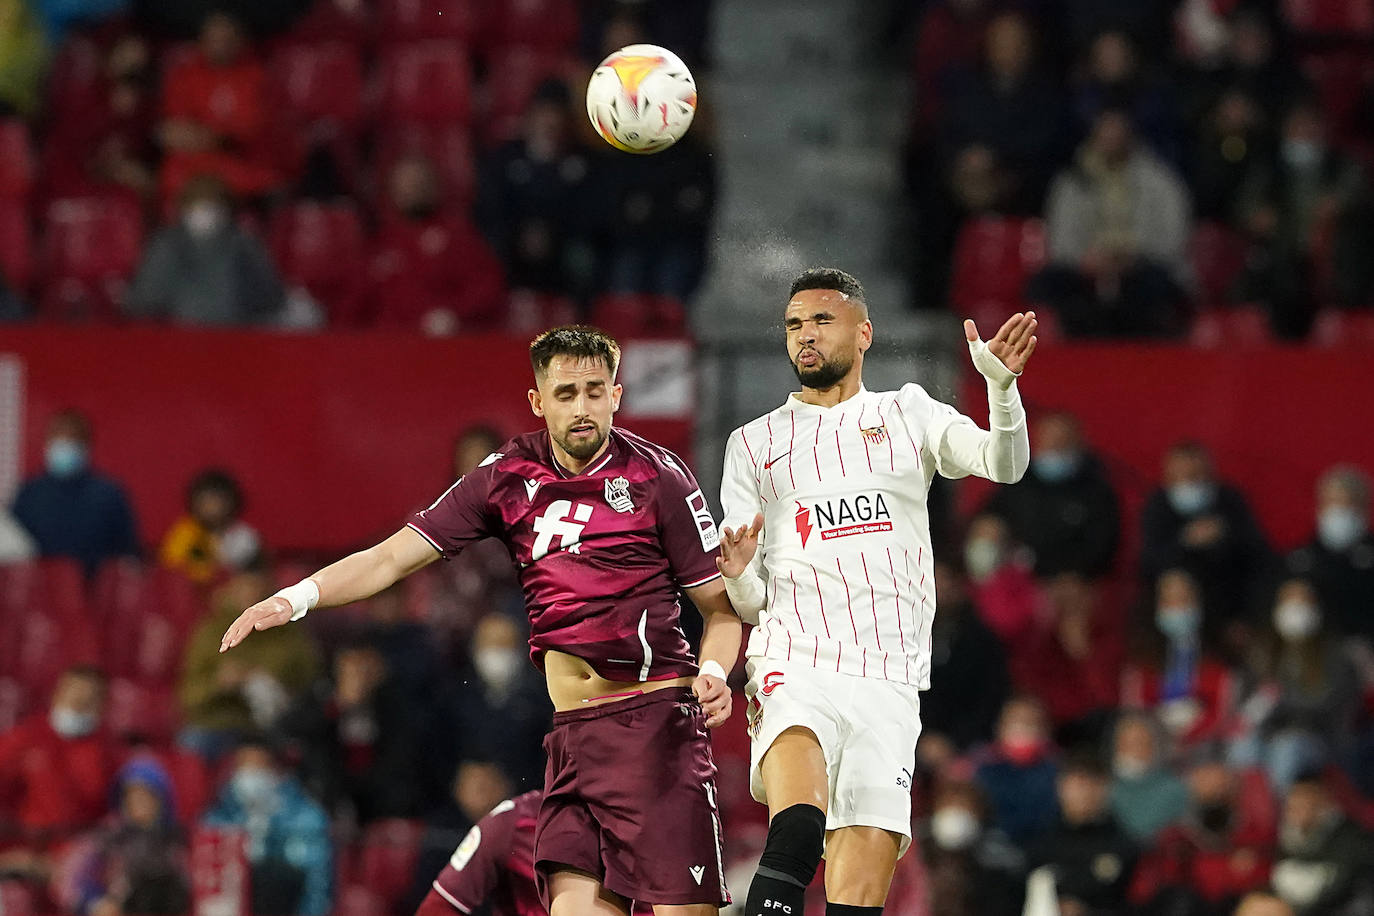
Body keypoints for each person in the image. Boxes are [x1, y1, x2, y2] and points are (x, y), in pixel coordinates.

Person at [221, 326, 741, 915]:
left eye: (595, 391)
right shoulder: (507, 476)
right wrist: (295, 598)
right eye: (566, 393)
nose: (582, 407)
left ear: (616, 396)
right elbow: (392, 556)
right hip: (571, 740)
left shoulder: (660, 478)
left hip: (655, 736)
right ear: (537, 401)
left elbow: (721, 610)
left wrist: (717, 668)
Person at [715, 267, 1034, 915]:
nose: (805, 335)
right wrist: (739, 570)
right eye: (794, 324)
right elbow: (748, 602)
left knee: (857, 899)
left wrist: (1001, 388)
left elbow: (1005, 464)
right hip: (797, 661)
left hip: (890, 678)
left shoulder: (907, 412)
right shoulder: (752, 444)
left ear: (864, 333)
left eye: (821, 321)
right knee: (798, 825)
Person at [1029, 107, 1193, 338]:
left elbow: (1173, 238)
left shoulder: (1161, 182)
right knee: (1051, 287)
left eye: (1118, 135)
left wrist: (1131, 257)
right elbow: (1060, 240)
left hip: (1143, 267)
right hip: (1085, 268)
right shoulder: (1071, 183)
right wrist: (1088, 260)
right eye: (1105, 135)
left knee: (1154, 290)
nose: (1111, 142)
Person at [178, 561, 319, 763]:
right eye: (245, 586)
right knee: (191, 745)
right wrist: (219, 682)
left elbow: (310, 688)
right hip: (219, 722)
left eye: (258, 586)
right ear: (233, 588)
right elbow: (188, 697)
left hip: (271, 727)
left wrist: (269, 684)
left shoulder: (290, 637)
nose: (252, 593)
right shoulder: (210, 633)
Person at [1228, 578, 1361, 793]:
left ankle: (1284, 815)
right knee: (1243, 745)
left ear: (1316, 608)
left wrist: (1280, 703)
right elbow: (1248, 703)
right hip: (1271, 732)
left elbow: (1328, 706)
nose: (1295, 609)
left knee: (1287, 749)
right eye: (1289, 602)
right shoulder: (1262, 651)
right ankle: (1253, 814)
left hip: (1317, 737)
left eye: (1302, 603)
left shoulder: (1336, 656)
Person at [1139, 440, 1272, 639]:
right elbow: (1149, 564)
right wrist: (1185, 542)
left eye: (1195, 475)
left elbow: (1257, 559)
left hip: (1228, 615)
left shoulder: (1231, 502)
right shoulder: (1157, 507)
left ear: (1211, 474)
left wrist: (1223, 537)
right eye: (1181, 476)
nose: (1189, 482)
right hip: (1173, 620)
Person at [366, 153, 506, 335]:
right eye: (406, 182)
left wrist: (454, 313)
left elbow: (488, 288)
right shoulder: (380, 243)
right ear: (392, 189)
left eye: (419, 180)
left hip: (443, 347)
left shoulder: (458, 237)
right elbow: (357, 305)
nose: (414, 187)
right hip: (388, 348)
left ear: (434, 186)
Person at [124, 173, 286, 326]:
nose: (205, 213)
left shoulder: (244, 244)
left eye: (212, 206)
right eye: (198, 205)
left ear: (227, 209)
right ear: (184, 208)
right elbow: (145, 298)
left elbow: (269, 296)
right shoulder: (166, 244)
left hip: (236, 336)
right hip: (174, 337)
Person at [201, 736, 332, 916]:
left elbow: (316, 886)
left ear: (275, 771)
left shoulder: (305, 817)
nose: (249, 773)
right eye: (243, 765)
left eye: (257, 766)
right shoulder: (218, 817)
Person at [982, 410, 1120, 579]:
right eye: (1049, 441)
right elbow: (988, 518)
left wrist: (1075, 574)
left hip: (1074, 580)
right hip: (1018, 580)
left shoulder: (1096, 488)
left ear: (1077, 443)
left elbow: (1103, 546)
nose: (1054, 448)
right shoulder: (1016, 481)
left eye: (1061, 442)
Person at [52, 755, 190, 916]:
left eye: (147, 795)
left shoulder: (177, 841)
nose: (139, 802)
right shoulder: (108, 837)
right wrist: (94, 903)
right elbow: (69, 877)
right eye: (131, 795)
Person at [11, 409, 139, 575]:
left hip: (95, 594)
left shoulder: (109, 494)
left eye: (72, 440)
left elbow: (127, 552)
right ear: (46, 442)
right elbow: (12, 549)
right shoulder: (28, 494)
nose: (64, 446)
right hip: (40, 592)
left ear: (87, 445)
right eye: (58, 439)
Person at [0, 666, 117, 842]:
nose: (79, 707)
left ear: (102, 706)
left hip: (81, 853)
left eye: (88, 702)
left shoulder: (107, 752)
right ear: (57, 695)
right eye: (75, 699)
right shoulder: (24, 738)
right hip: (23, 847)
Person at [1026, 754, 1138, 915]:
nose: (1085, 793)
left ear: (1107, 788)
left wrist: (1087, 912)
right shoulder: (1039, 841)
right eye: (1078, 784)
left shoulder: (1123, 845)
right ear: (1061, 787)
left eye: (1093, 784)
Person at [1286, 465, 1374, 641]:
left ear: (1364, 509)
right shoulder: (1300, 559)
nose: (1340, 511)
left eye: (1348, 503)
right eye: (1333, 502)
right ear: (1320, 507)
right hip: (1316, 654)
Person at [1269, 775, 1374, 915]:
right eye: (1292, 805)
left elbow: (1342, 888)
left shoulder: (1351, 837)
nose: (1295, 811)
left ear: (1323, 802)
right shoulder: (1287, 836)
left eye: (1304, 803)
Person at [973, 695, 1061, 849]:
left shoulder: (1059, 769)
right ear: (1000, 727)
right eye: (1016, 722)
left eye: (1030, 723)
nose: (1022, 729)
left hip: (1047, 845)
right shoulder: (978, 766)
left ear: (1045, 729)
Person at [159, 468, 261, 585]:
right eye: (205, 500)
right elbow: (170, 566)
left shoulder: (243, 537)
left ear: (231, 501)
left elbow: (251, 574)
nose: (210, 507)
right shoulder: (185, 533)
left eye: (216, 500)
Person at [1108, 712, 1189, 844]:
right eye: (1125, 743)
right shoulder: (1103, 786)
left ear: (1153, 747)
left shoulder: (1174, 790)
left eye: (1140, 743)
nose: (1132, 750)